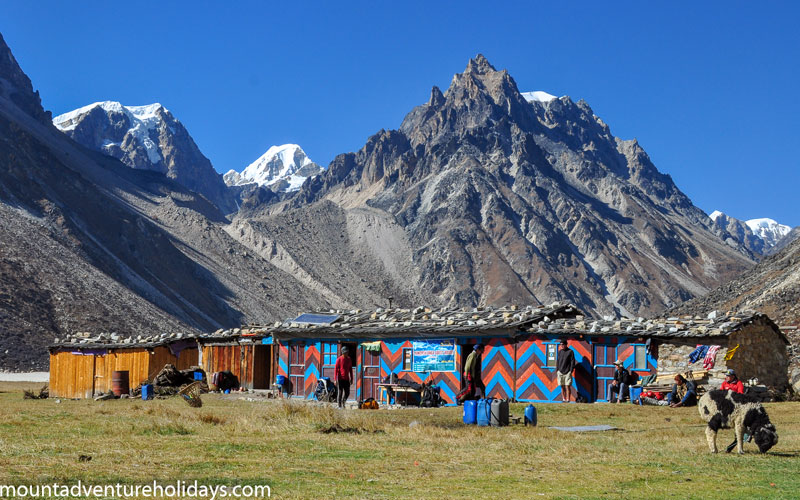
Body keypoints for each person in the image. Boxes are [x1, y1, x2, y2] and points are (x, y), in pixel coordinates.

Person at [721, 369, 748, 453]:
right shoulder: (724, 383)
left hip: (736, 407)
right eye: (726, 376)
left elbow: (740, 394)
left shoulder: (738, 383)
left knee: (739, 427)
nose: (726, 377)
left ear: (733, 376)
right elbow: (721, 393)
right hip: (726, 407)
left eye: (728, 376)